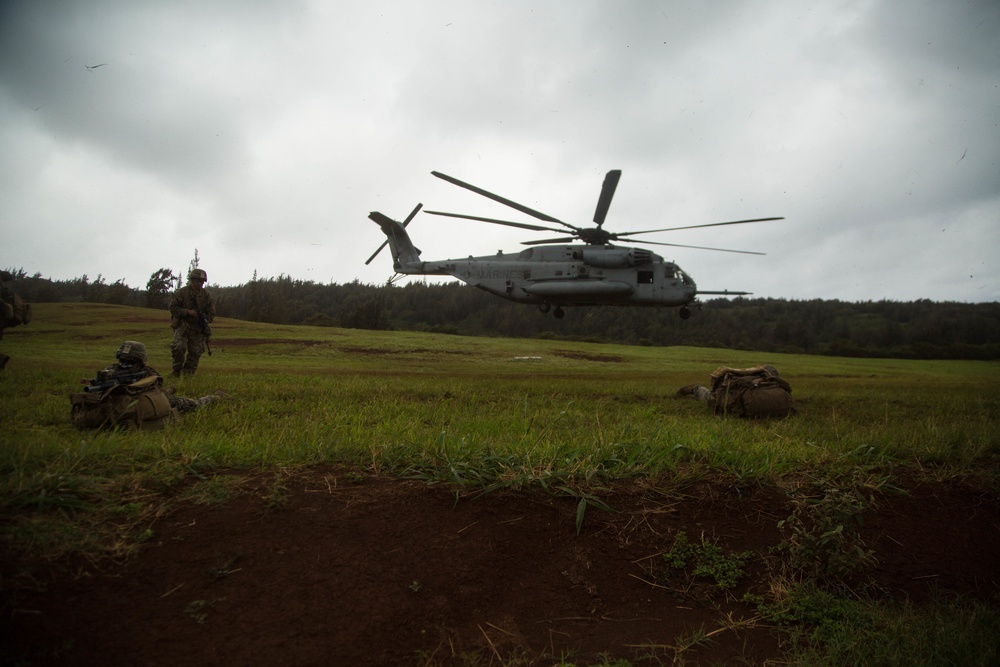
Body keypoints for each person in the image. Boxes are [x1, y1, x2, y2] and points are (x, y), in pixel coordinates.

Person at [84, 340, 224, 414]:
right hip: (133, 404)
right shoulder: (112, 372)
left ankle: (214, 398)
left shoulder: (143, 373)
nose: (125, 365)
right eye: (124, 362)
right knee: (189, 404)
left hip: (142, 401)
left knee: (183, 401)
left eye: (129, 362)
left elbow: (158, 389)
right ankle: (213, 398)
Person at [169, 268, 215, 377]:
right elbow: (173, 307)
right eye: (198, 281)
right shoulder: (182, 292)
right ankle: (176, 371)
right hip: (183, 325)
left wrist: (204, 319)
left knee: (196, 351)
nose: (200, 284)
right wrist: (186, 312)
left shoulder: (206, 295)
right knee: (178, 347)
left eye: (202, 282)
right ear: (192, 280)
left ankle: (188, 375)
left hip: (197, 328)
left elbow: (211, 312)